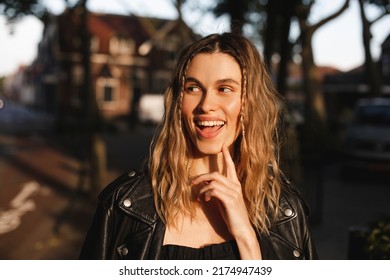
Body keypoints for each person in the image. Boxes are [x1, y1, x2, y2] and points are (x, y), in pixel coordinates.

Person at [79, 32, 318, 260]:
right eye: (193, 88)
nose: (206, 105)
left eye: (225, 89)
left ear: (251, 102)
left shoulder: (286, 212)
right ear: (178, 102)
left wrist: (246, 237)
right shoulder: (123, 205)